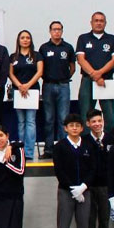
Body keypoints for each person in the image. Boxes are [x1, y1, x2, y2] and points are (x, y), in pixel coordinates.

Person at [52, 114, 96, 228]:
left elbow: (93, 168)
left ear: (82, 128)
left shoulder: (89, 145)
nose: (75, 128)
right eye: (71, 125)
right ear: (66, 128)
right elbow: (59, 170)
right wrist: (72, 188)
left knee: (84, 227)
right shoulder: (60, 146)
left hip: (85, 191)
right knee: (63, 227)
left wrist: (83, 187)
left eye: (77, 125)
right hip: (66, 191)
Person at [76, 12, 114, 131]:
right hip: (87, 80)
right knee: (86, 113)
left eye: (101, 21)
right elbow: (81, 59)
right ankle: (86, 140)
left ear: (105, 23)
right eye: (96, 20)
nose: (99, 23)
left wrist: (99, 74)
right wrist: (94, 75)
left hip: (106, 81)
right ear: (91, 23)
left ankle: (109, 140)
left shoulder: (112, 39)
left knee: (109, 114)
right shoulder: (83, 38)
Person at [38, 21, 75, 159]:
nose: (57, 32)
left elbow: (72, 67)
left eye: (59, 29)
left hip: (64, 86)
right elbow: (40, 67)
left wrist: (64, 77)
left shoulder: (68, 47)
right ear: (50, 31)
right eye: (54, 29)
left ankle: (63, 149)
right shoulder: (44, 48)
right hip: (48, 85)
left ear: (62, 31)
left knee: (63, 119)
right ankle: (48, 149)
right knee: (49, 119)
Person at [85, 109, 114, 228]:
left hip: (106, 187)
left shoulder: (111, 140)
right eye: (93, 121)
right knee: (90, 223)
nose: (97, 124)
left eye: (99, 121)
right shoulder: (85, 141)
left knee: (104, 222)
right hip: (89, 188)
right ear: (88, 124)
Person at [9, 30, 43, 160]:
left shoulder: (37, 55)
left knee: (30, 122)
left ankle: (29, 152)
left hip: (32, 91)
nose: (25, 40)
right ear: (18, 40)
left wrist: (27, 85)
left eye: (27, 37)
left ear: (31, 40)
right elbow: (10, 73)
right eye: (22, 38)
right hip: (18, 92)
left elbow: (39, 72)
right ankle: (21, 151)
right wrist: (20, 86)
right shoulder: (13, 57)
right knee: (21, 122)